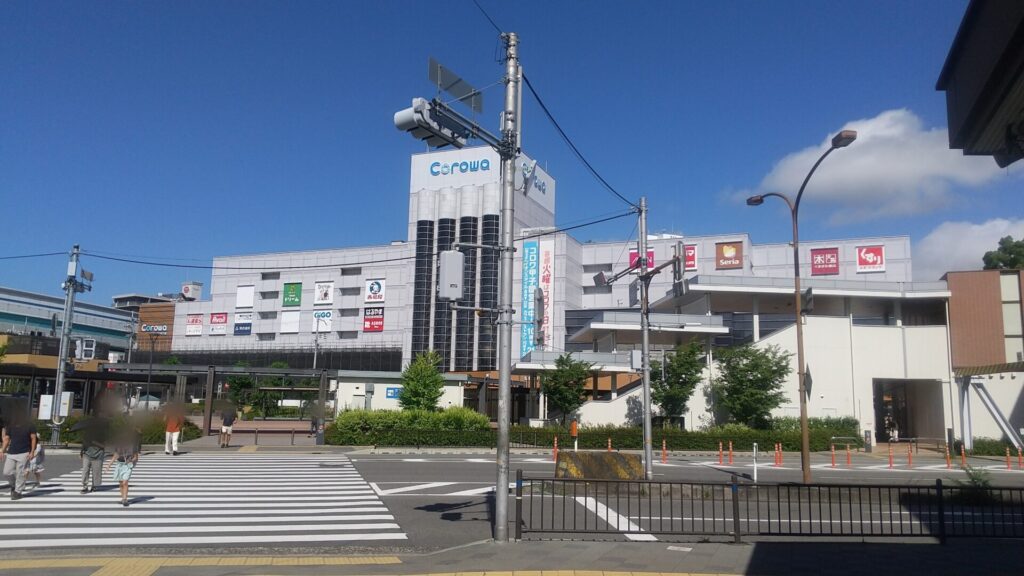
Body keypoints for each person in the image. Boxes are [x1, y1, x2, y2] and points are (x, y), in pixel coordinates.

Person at [1, 410, 37, 501]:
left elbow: (33, 438)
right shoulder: (11, 425)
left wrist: (32, 451)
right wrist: (2, 451)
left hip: (24, 452)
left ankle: (17, 492)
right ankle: (13, 485)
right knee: (7, 472)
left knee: (20, 473)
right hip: (11, 452)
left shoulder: (30, 425)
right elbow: (7, 439)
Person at [106, 423, 141, 507]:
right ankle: (122, 498)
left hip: (127, 466)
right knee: (121, 483)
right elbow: (116, 455)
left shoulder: (133, 445)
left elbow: (136, 457)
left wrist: (131, 461)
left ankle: (125, 499)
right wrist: (109, 465)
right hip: (119, 464)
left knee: (125, 482)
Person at [80, 415, 108, 493]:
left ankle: (94, 485)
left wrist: (94, 442)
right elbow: (84, 443)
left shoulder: (102, 434)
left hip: (98, 454)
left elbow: (104, 446)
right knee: (85, 470)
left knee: (96, 471)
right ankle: (84, 486)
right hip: (87, 454)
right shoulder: (87, 433)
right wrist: (81, 452)